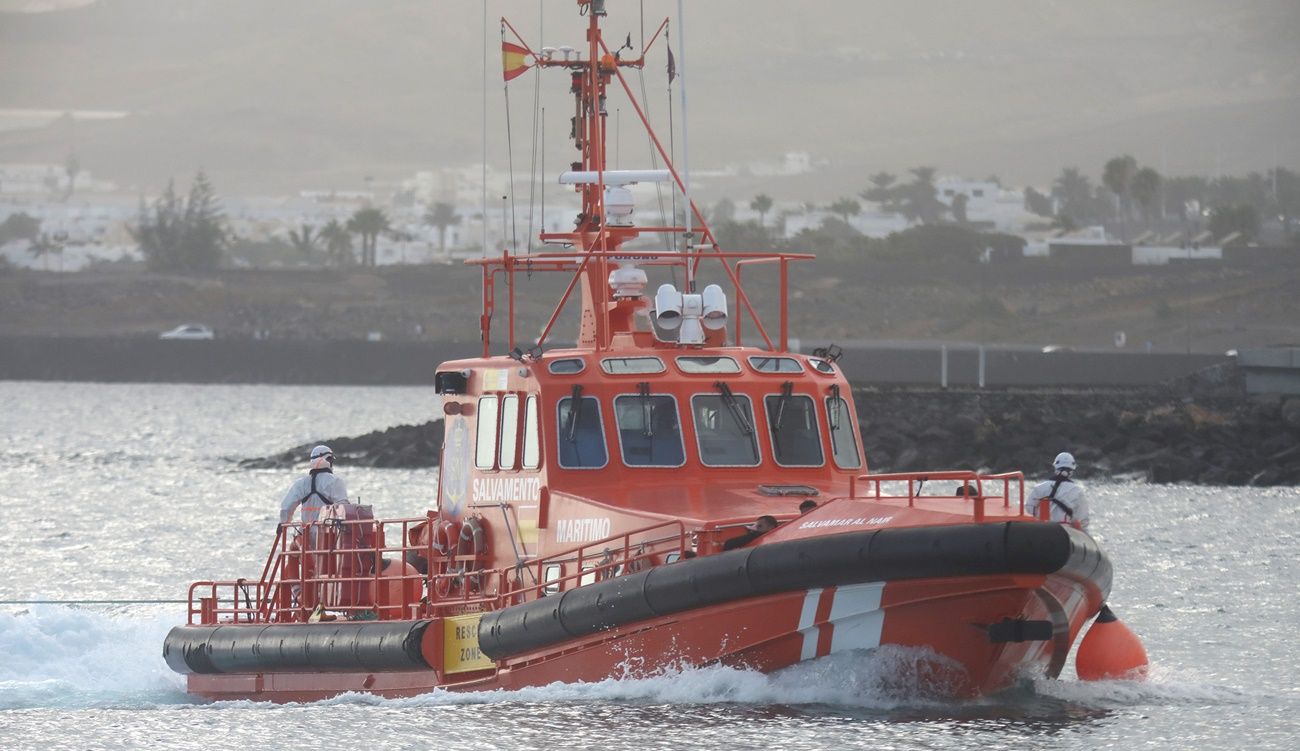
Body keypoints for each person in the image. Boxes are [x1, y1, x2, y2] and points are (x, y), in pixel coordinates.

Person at [279, 444, 350, 528]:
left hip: (306, 535)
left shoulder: (301, 483)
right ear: (329, 460)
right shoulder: (335, 481)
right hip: (327, 535)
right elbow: (343, 508)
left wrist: (283, 524)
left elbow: (286, 508)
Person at [1028, 452, 1089, 530]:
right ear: (1072, 470)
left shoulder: (1039, 488)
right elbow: (1083, 519)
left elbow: (1029, 510)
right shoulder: (1077, 491)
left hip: (1041, 529)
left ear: (1055, 467)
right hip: (1065, 531)